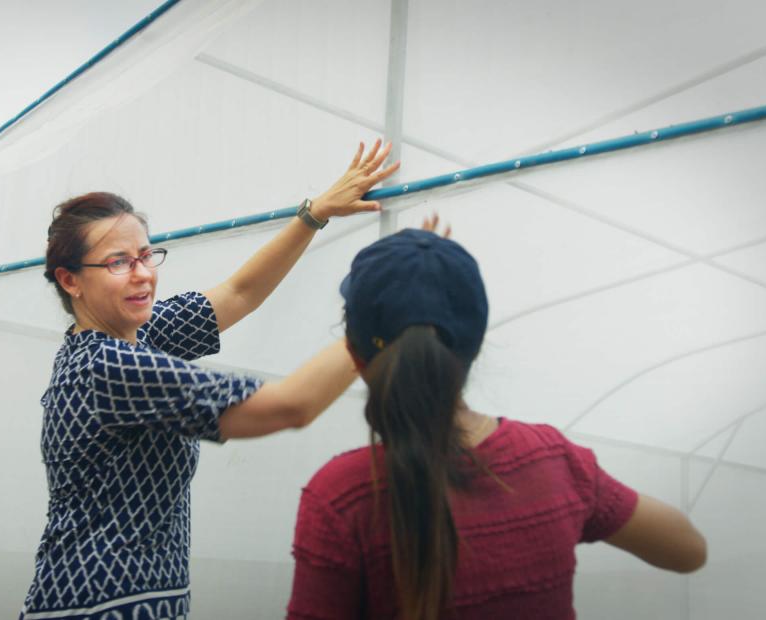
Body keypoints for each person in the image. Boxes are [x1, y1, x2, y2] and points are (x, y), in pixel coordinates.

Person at [20, 142, 410, 619]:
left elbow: (239, 294)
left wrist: (314, 214)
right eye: (119, 262)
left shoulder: (142, 335)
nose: (142, 275)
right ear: (71, 280)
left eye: (146, 255)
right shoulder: (105, 367)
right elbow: (290, 405)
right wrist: (384, 317)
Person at [286, 227, 708, 619]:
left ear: (355, 357)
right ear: (475, 345)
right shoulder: (553, 459)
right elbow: (688, 550)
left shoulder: (340, 498)